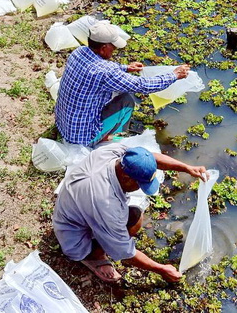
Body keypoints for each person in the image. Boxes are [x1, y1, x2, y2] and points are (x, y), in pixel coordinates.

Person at [53, 144, 208, 284]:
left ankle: (101, 243)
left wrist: (186, 168)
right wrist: (161, 269)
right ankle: (93, 257)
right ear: (126, 177)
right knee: (134, 220)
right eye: (139, 184)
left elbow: (150, 158)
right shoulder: (106, 204)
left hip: (76, 210)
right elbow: (125, 252)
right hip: (75, 240)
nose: (140, 189)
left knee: (134, 215)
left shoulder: (113, 154)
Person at [55, 21, 190, 146]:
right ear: (103, 48)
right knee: (127, 100)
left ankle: (107, 134)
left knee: (115, 93)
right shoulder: (106, 72)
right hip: (81, 138)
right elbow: (142, 85)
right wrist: (174, 75)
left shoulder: (78, 52)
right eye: (112, 48)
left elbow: (101, 69)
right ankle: (115, 139)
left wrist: (126, 68)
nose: (114, 50)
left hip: (64, 125)